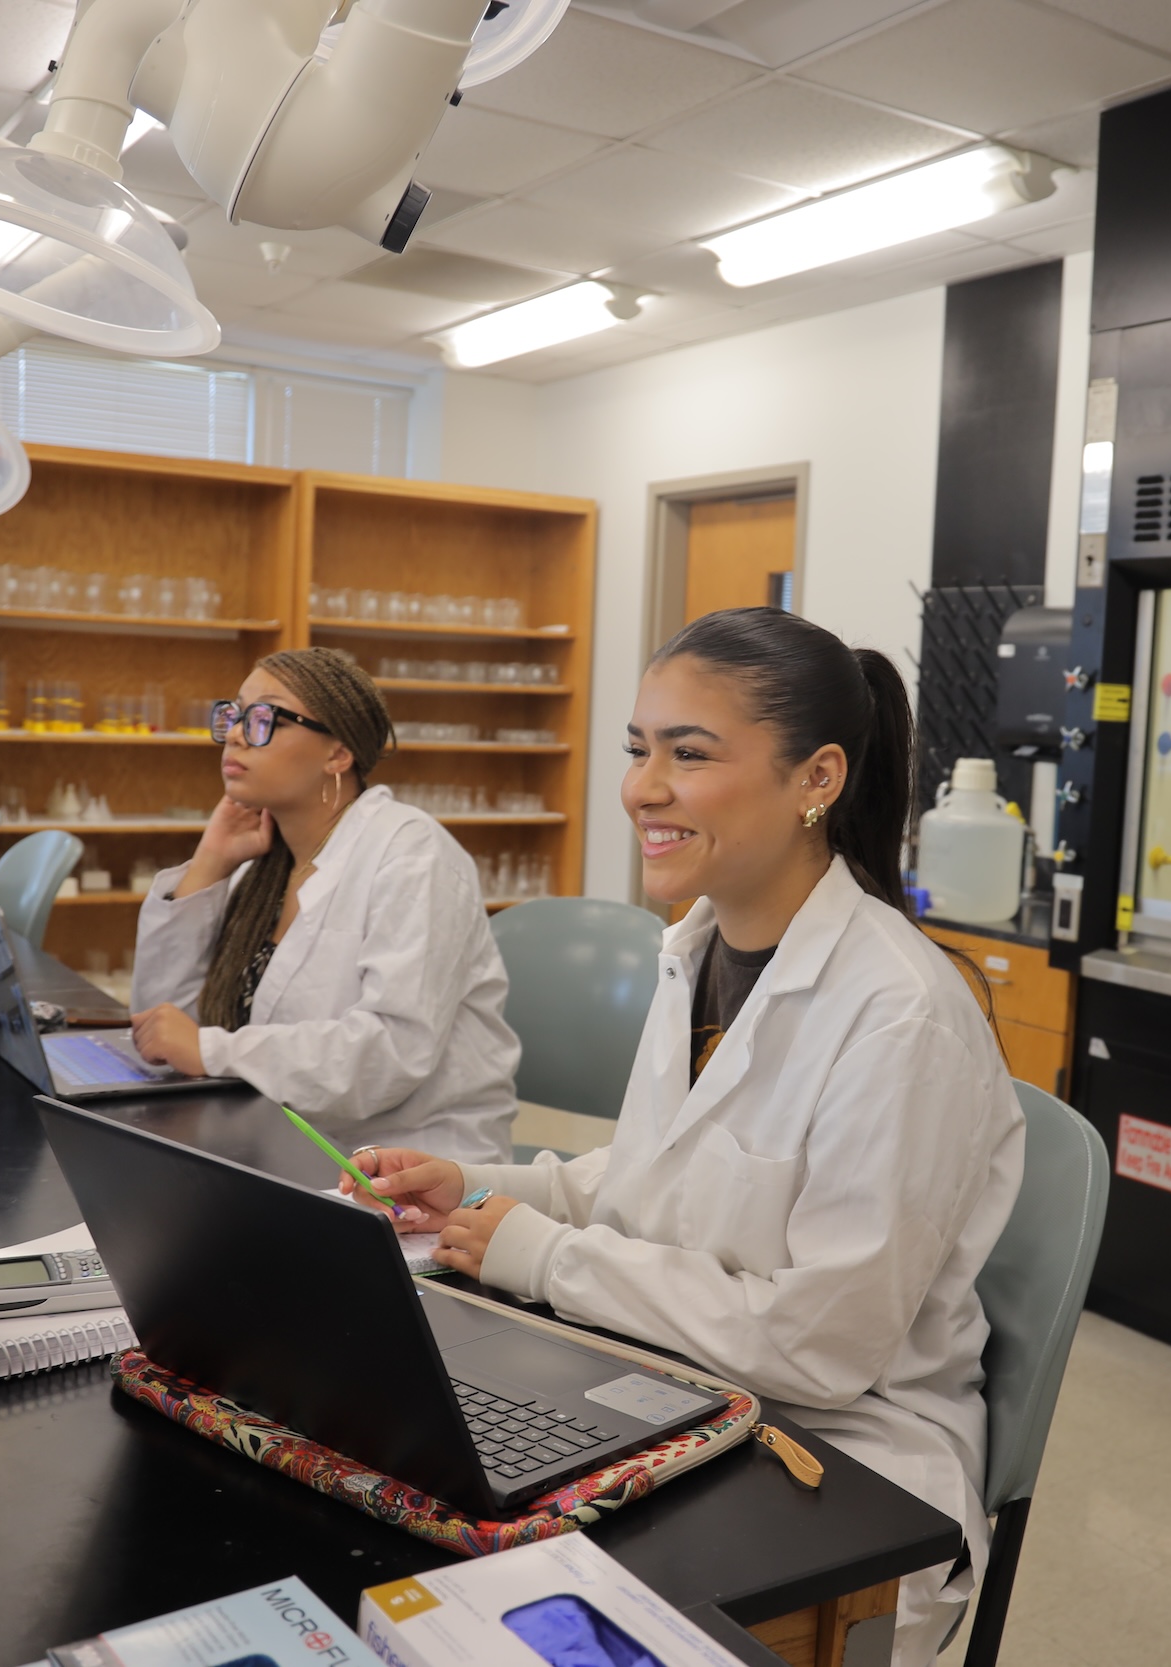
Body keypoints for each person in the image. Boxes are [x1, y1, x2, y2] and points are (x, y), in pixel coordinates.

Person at [347, 609, 1024, 1666]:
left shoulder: (899, 1013)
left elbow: (821, 1343)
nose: (641, 786)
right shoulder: (699, 945)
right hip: (675, 1386)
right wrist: (471, 1182)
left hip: (839, 1464)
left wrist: (539, 1252)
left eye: (688, 752)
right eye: (637, 747)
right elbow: (661, 1176)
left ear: (817, 778)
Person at [128, 646, 518, 1165]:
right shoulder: (262, 870)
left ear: (337, 754)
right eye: (234, 715)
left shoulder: (411, 855)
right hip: (279, 1146)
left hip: (412, 1173)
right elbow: (161, 1029)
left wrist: (213, 1051)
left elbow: (390, 1054)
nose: (239, 733)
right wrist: (208, 865)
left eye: (264, 717)